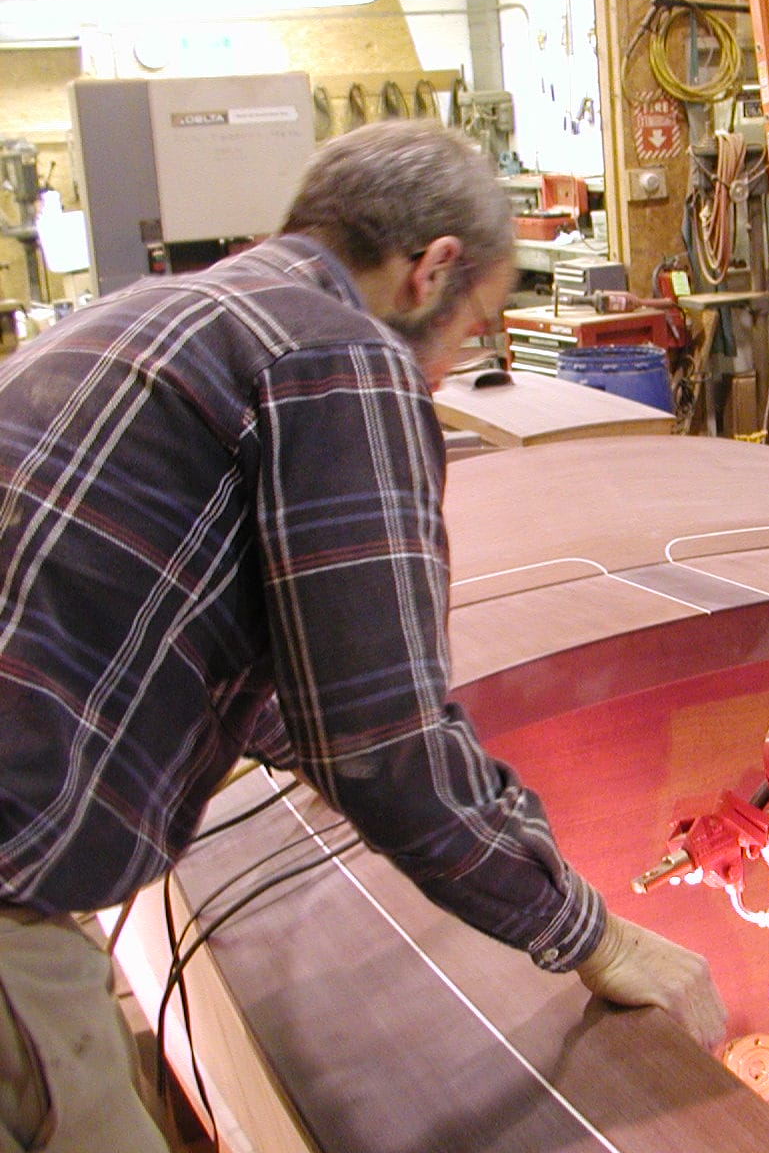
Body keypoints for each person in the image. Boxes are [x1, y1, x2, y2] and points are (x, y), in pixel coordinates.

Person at [0, 120, 726, 1150]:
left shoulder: (139, 317)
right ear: (430, 271)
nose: (446, 376)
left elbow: (263, 668)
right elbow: (376, 739)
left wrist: (437, 782)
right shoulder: (338, 352)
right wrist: (584, 931)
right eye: (473, 331)